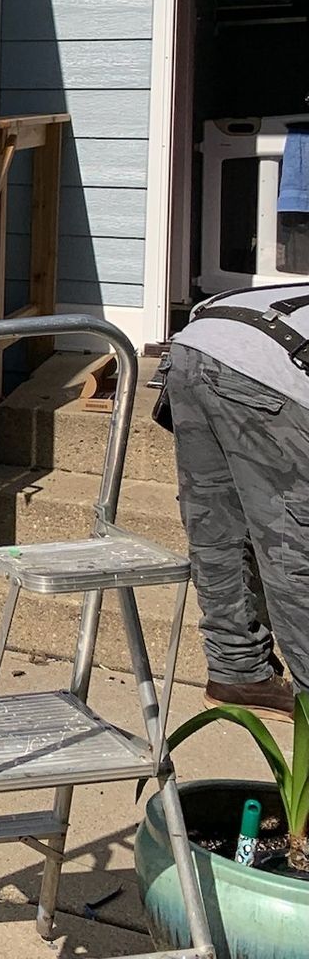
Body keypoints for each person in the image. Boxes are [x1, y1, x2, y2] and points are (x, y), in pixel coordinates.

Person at [162, 283, 309, 718]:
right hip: (267, 370)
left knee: (217, 526)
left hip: (194, 348)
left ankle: (238, 673)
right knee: (293, 543)